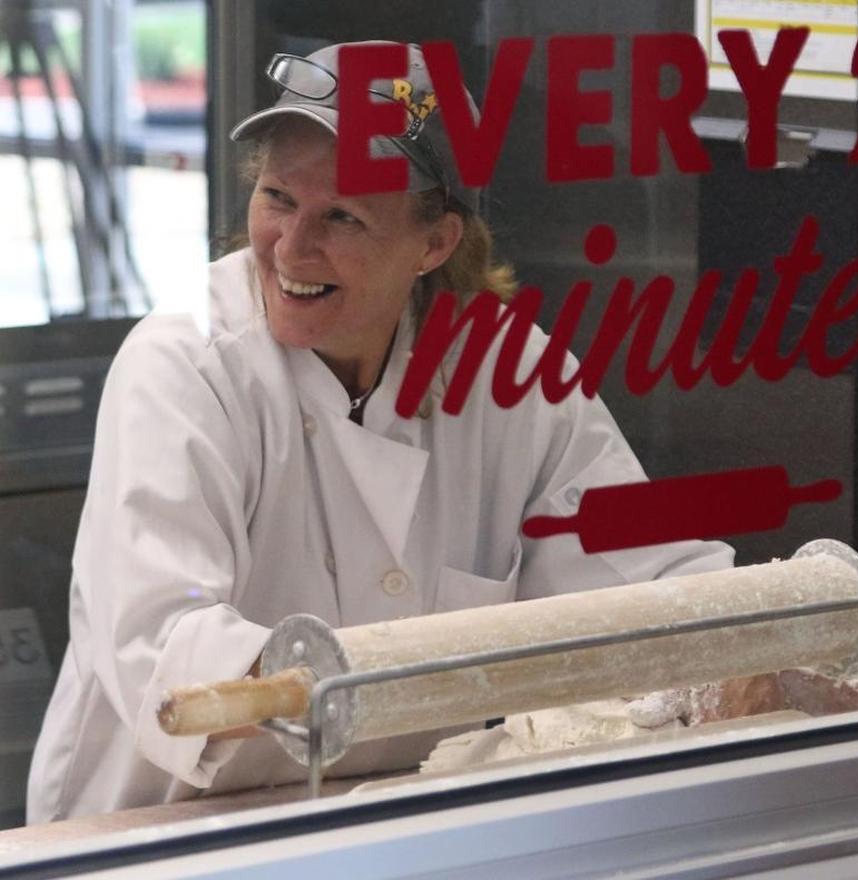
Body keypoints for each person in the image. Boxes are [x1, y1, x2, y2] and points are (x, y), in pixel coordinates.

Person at [26, 40, 733, 823]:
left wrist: (762, 636)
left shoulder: (507, 372)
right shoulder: (185, 367)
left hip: (404, 826)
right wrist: (347, 674)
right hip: (171, 830)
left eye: (343, 216)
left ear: (434, 245)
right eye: (277, 199)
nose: (291, 248)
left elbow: (647, 579)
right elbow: (163, 640)